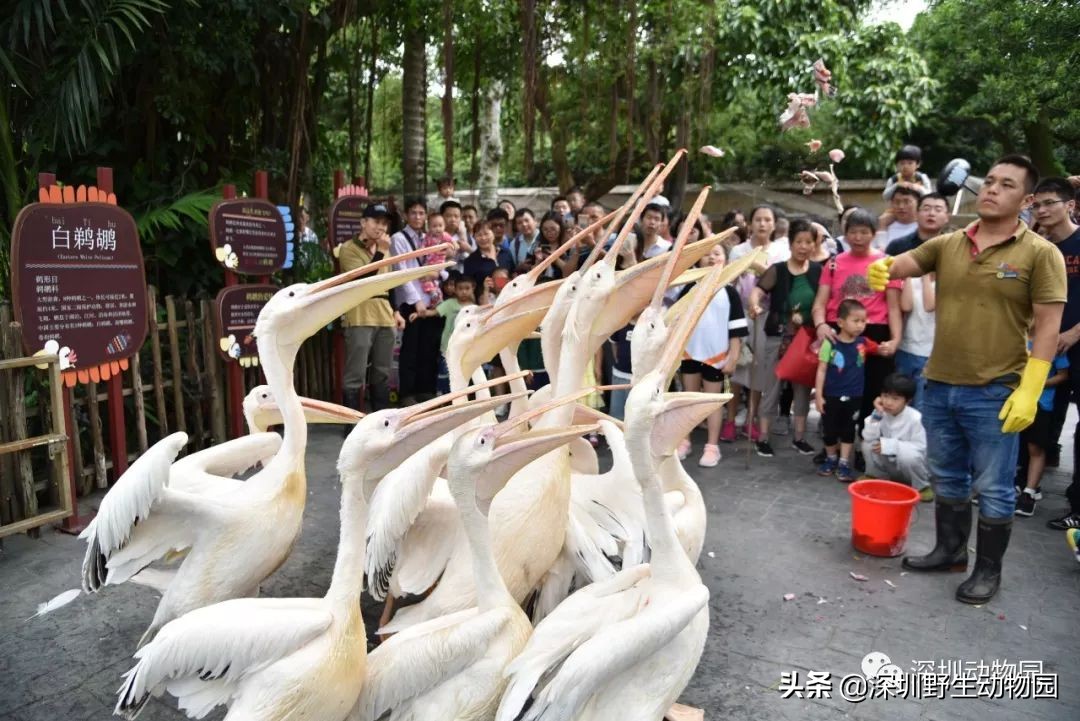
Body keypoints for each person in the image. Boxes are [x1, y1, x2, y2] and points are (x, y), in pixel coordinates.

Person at [868, 154, 1066, 604]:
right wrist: (882, 269)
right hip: (938, 385)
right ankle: (950, 551)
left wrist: (1031, 390)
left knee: (994, 488)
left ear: (1027, 199)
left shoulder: (1040, 253)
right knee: (948, 478)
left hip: (996, 390)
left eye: (1007, 184)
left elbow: (1049, 326)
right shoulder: (950, 243)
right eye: (990, 181)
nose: (993, 189)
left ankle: (987, 572)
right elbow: (904, 263)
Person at [811, 207, 902, 457]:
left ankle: (865, 449)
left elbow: (893, 307)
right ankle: (833, 445)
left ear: (874, 233)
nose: (858, 237)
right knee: (835, 389)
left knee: (872, 392)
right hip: (838, 333)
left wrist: (895, 339)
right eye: (853, 232)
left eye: (864, 232)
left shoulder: (887, 264)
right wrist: (821, 325)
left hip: (874, 332)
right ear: (845, 234)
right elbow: (820, 304)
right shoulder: (833, 264)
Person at [750, 218, 822, 456]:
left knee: (802, 388)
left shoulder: (817, 271)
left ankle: (799, 437)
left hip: (806, 339)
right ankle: (763, 437)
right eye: (799, 241)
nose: (803, 246)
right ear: (790, 244)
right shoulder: (777, 270)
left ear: (814, 245)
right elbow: (758, 291)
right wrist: (755, 305)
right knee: (772, 386)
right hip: (778, 337)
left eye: (808, 242)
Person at [723, 205, 791, 442]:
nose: (762, 224)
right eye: (758, 220)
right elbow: (729, 283)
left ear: (773, 224)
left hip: (767, 316)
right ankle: (730, 420)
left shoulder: (781, 252)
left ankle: (751, 419)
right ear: (749, 224)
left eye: (767, 220)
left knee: (759, 371)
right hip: (740, 314)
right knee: (738, 368)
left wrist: (762, 270)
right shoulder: (738, 251)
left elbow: (782, 284)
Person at [1033, 178, 1080, 525]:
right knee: (1045, 420)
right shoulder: (1039, 248)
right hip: (1048, 349)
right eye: (1037, 205)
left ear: (1070, 205)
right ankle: (1029, 485)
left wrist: (1074, 333)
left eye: (1050, 203)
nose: (1042, 210)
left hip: (1074, 344)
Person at [676, 242, 748, 467]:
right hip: (689, 354)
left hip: (717, 357)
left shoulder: (729, 291)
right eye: (705, 254)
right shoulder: (689, 289)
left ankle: (712, 446)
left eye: (716, 253)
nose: (710, 257)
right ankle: (684, 441)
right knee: (688, 400)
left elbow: (736, 330)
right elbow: (678, 322)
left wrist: (733, 357)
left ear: (725, 259)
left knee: (712, 403)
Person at [338, 203, 405, 412]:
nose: (381, 227)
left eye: (384, 223)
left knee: (382, 371)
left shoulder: (384, 250)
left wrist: (396, 311)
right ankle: (351, 422)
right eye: (376, 221)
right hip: (359, 314)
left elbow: (389, 282)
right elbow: (362, 279)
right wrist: (382, 252)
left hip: (385, 315)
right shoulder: (348, 249)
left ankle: (380, 420)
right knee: (355, 372)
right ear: (363, 223)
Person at [815, 299, 878, 482]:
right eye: (855, 320)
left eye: (863, 321)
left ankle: (844, 463)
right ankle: (831, 458)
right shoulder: (830, 344)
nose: (860, 325)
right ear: (841, 322)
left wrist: (887, 347)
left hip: (855, 395)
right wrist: (819, 395)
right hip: (831, 394)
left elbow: (879, 349)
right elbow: (821, 370)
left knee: (849, 429)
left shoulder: (863, 342)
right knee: (829, 429)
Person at [391, 197, 443, 404]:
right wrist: (415, 301)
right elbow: (401, 272)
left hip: (432, 298)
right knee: (410, 349)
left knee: (429, 348)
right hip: (410, 301)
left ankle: (426, 390)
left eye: (422, 213)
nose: (418, 217)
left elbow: (440, 263)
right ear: (405, 215)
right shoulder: (399, 238)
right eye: (413, 213)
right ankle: (407, 393)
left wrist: (439, 275)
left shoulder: (431, 236)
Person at [1015, 336, 1069, 517]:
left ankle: (1029, 492)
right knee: (1012, 443)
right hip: (1014, 400)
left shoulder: (1054, 342)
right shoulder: (1018, 336)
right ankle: (1010, 484)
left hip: (1042, 403)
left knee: (1035, 447)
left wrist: (1039, 383)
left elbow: (1063, 374)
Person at [861, 373, 932, 501]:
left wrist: (890, 446)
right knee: (868, 444)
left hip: (911, 469)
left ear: (907, 401)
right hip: (891, 466)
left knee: (909, 456)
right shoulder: (880, 412)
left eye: (895, 399)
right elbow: (868, 436)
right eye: (885, 396)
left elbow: (921, 448)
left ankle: (922, 487)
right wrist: (877, 414)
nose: (888, 402)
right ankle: (875, 476)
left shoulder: (916, 418)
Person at [436, 275, 476, 394]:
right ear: (455, 289)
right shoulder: (449, 304)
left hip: (466, 347)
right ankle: (443, 396)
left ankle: (461, 395)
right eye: (460, 288)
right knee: (445, 371)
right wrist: (420, 314)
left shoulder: (474, 308)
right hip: (448, 346)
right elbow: (435, 312)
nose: (464, 291)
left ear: (473, 288)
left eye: (467, 288)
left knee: (462, 371)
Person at [463, 220, 515, 301]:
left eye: (486, 234)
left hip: (509, 299)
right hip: (485, 303)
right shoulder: (470, 261)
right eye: (479, 235)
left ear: (493, 234)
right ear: (474, 237)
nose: (483, 238)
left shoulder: (505, 253)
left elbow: (512, 273)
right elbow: (469, 287)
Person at [535, 211, 580, 279]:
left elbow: (569, 273)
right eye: (545, 229)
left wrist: (554, 259)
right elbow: (533, 276)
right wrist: (538, 261)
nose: (549, 233)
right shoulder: (538, 244)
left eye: (553, 229)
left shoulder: (569, 246)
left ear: (561, 228)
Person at [875, 186, 921, 251]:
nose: (901, 206)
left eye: (907, 202)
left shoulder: (924, 227)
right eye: (897, 202)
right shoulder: (883, 226)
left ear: (918, 203)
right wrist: (882, 226)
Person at [419, 212, 451, 302]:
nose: (438, 229)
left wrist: (454, 246)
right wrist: (421, 251)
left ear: (444, 226)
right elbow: (423, 246)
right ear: (428, 228)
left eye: (440, 225)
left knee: (434, 279)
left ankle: (437, 294)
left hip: (439, 261)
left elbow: (452, 243)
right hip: (429, 262)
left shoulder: (444, 235)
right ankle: (433, 293)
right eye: (434, 226)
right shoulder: (427, 237)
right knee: (427, 280)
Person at [440, 199, 472, 271]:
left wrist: (468, 249)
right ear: (441, 216)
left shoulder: (467, 236)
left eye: (456, 216)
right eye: (448, 216)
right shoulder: (435, 237)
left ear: (460, 218)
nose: (453, 219)